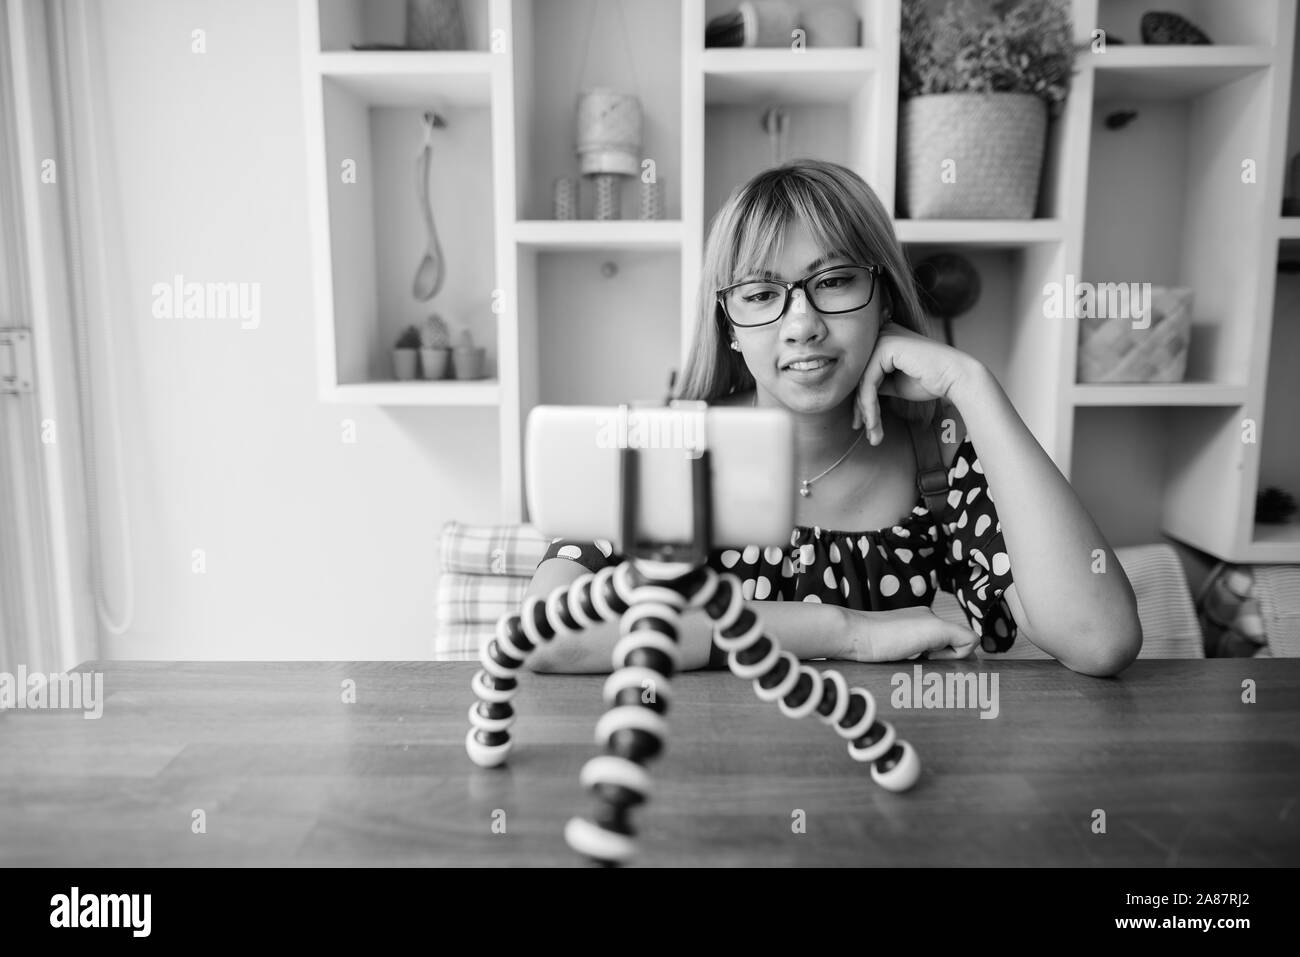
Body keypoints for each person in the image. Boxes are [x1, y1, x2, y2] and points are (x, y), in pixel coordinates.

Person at [525, 159, 1142, 676]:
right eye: (762, 294)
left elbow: (1100, 639)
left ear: (885, 301)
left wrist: (972, 384)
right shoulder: (669, 448)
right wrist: (845, 632)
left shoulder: (941, 456)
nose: (802, 325)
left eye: (836, 281)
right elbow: (551, 634)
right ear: (730, 328)